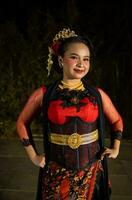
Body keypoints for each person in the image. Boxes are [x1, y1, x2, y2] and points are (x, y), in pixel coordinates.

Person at [16, 28, 123, 200]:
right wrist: (34, 156)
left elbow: (116, 120)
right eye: (74, 57)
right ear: (60, 60)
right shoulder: (45, 94)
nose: (81, 64)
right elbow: (21, 122)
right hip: (56, 173)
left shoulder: (97, 94)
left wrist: (116, 148)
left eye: (86, 59)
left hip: (92, 172)